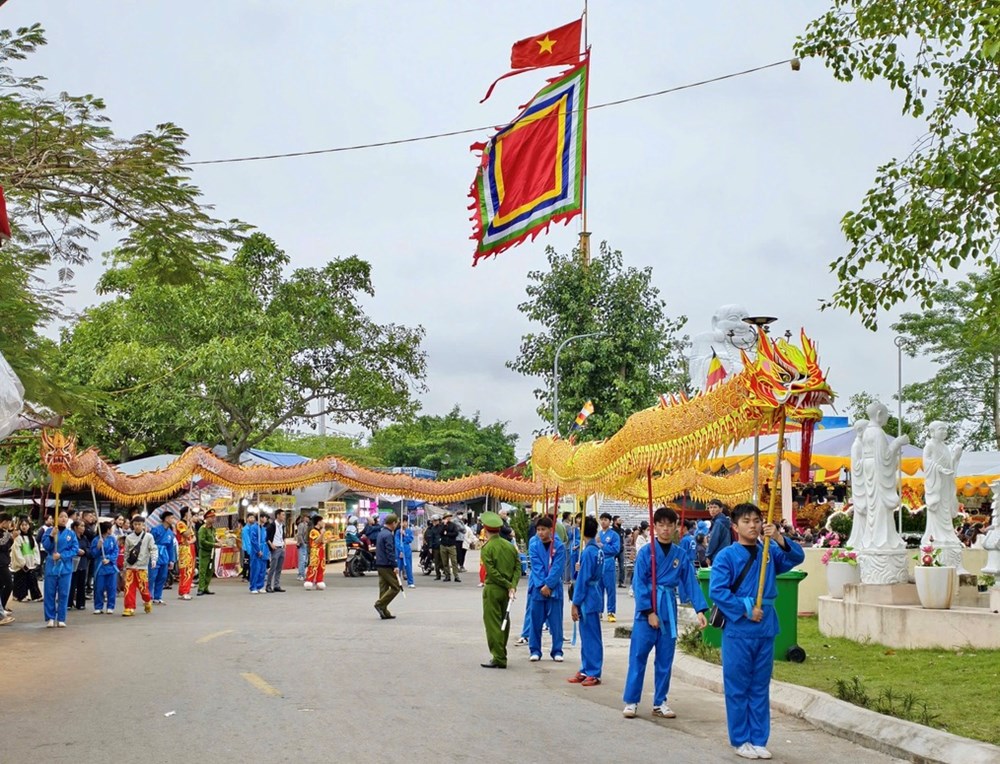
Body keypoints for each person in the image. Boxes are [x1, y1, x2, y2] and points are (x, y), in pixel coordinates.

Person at [710, 502, 805, 760]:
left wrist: (778, 537)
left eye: (756, 520)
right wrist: (745, 607)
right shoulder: (726, 556)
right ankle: (740, 739)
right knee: (738, 685)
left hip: (765, 627)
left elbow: (796, 557)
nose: (752, 526)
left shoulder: (768, 552)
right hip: (740, 628)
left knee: (760, 685)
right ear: (735, 526)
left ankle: (759, 738)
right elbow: (717, 591)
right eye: (746, 521)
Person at [623, 506, 708, 719]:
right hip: (648, 610)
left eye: (670, 525)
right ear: (655, 527)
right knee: (638, 656)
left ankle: (660, 701)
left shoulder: (680, 554)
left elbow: (690, 581)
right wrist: (649, 611)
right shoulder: (646, 552)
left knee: (665, 658)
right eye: (661, 525)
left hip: (668, 608)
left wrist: (699, 609)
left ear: (675, 527)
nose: (665, 529)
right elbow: (640, 583)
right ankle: (632, 700)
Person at [479, 511, 520, 669]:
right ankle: (501, 652)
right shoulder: (509, 546)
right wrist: (512, 585)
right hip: (507, 591)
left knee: (493, 624)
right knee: (504, 621)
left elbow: (492, 572)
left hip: (494, 589)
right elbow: (518, 567)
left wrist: (506, 584)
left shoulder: (487, 548)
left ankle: (499, 657)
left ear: (485, 529)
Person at [568, 516, 604, 687]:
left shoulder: (589, 552)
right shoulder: (596, 550)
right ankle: (586, 668)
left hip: (588, 596)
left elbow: (583, 580)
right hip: (593, 593)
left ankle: (594, 671)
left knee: (591, 635)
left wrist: (575, 602)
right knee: (586, 634)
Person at [527, 516, 565, 662]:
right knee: (535, 621)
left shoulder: (559, 546)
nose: (541, 533)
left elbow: (558, 567)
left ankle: (557, 650)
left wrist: (549, 584)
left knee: (556, 622)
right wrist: (542, 585)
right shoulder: (533, 545)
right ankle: (535, 649)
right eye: (538, 530)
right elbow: (536, 567)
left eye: (543, 529)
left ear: (551, 530)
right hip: (538, 588)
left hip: (554, 588)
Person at [41, 510, 79, 628]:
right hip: (52, 566)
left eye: (65, 517)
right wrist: (52, 536)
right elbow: (46, 546)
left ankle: (61, 618)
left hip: (65, 567)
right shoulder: (48, 531)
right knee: (49, 593)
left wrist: (62, 555)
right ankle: (50, 617)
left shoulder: (71, 534)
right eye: (61, 516)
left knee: (63, 593)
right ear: (56, 518)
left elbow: (75, 548)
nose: (63, 518)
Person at [123, 515, 158, 617]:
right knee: (129, 588)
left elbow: (153, 549)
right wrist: (125, 567)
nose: (137, 526)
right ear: (132, 525)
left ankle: (147, 601)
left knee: (143, 589)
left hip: (142, 567)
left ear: (143, 525)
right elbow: (126, 553)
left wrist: (154, 559)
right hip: (131, 566)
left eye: (139, 524)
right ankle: (129, 607)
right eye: (135, 524)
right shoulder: (129, 538)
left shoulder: (149, 537)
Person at [374, 515, 402, 619]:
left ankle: (384, 612)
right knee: (396, 587)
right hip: (386, 565)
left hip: (379, 564)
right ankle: (380, 604)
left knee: (384, 588)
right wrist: (394, 565)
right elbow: (390, 551)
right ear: (393, 523)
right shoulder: (388, 535)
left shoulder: (381, 533)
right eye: (397, 523)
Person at [89, 521, 119, 614]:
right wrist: (98, 547)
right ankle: (98, 606)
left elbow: (115, 551)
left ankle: (110, 606)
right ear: (107, 529)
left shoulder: (113, 539)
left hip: (110, 566)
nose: (112, 530)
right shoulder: (96, 539)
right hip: (100, 565)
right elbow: (93, 554)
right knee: (99, 587)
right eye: (110, 528)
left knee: (112, 587)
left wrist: (109, 559)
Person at [149, 511, 177, 605]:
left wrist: (171, 560)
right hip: (155, 553)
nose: (173, 519)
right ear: (166, 519)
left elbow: (170, 547)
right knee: (152, 576)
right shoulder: (155, 530)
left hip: (164, 555)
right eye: (171, 517)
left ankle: (158, 597)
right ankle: (149, 596)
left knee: (162, 577)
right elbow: (150, 543)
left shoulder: (170, 532)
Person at [11, 518, 42, 603]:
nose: (24, 527)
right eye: (22, 525)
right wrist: (22, 563)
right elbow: (17, 551)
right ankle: (21, 595)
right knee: (21, 580)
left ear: (29, 526)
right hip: (22, 564)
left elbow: (35, 550)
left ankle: (36, 596)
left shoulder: (32, 537)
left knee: (32, 580)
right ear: (20, 526)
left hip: (31, 562)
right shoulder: (18, 538)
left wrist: (36, 561)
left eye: (26, 525)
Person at [597, 512, 621, 622]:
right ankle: (599, 611)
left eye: (605, 520)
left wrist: (603, 546)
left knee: (610, 588)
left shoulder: (614, 535)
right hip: (599, 562)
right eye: (601, 519)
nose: (603, 521)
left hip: (609, 562)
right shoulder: (598, 534)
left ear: (610, 521)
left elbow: (616, 549)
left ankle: (611, 611)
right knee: (598, 588)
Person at [196, 509, 219, 596]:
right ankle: (201, 588)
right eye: (212, 517)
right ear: (206, 518)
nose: (214, 519)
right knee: (203, 570)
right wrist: (214, 544)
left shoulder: (213, 529)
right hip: (204, 552)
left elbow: (214, 538)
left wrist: (218, 541)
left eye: (214, 517)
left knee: (210, 570)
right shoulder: (203, 529)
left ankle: (206, 587)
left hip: (212, 552)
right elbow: (202, 541)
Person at [304, 515, 328, 590]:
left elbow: (323, 541)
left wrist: (329, 539)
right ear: (318, 522)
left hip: (321, 551)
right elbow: (317, 541)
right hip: (315, 551)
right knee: (313, 566)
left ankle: (319, 581)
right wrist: (322, 533)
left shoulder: (320, 530)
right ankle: (309, 580)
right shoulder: (313, 531)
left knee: (321, 567)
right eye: (321, 521)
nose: (323, 523)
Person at [265, 509, 287, 593]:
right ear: (277, 515)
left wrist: (284, 542)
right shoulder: (271, 526)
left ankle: (276, 585)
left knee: (279, 568)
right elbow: (267, 537)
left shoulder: (282, 525)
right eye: (282, 515)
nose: (284, 516)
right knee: (273, 568)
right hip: (275, 548)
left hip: (281, 547)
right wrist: (271, 544)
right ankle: (268, 585)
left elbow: (283, 535)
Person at [706, 499, 732, 565]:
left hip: (717, 555)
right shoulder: (725, 521)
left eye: (715, 507)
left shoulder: (718, 522)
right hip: (726, 554)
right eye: (710, 507)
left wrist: (708, 555)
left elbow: (714, 540)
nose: (712, 510)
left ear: (721, 509)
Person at [175, 521, 196, 600]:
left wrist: (190, 542)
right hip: (184, 548)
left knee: (190, 570)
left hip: (190, 547)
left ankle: (186, 590)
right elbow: (186, 534)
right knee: (185, 570)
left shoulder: (187, 525)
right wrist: (190, 526)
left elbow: (194, 537)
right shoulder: (180, 524)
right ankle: (184, 591)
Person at [439, 510, 461, 582]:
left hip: (451, 545)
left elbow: (455, 533)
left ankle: (456, 576)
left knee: (454, 561)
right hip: (443, 545)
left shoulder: (453, 525)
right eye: (446, 517)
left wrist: (447, 533)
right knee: (445, 562)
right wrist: (444, 526)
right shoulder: (441, 525)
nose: (448, 518)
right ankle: (447, 575)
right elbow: (440, 533)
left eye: (449, 517)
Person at [0, 513, 13, 622]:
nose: (10, 524)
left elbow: (8, 546)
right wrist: (10, 536)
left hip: (4, 562)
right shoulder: (3, 533)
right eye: (9, 522)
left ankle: (1, 609)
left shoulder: (5, 533)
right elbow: (2, 546)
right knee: (9, 584)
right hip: (1, 563)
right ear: (4, 522)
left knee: (1, 586)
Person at [395, 516, 415, 588]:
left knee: (408, 567)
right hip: (399, 551)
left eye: (405, 522)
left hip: (407, 550)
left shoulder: (409, 531)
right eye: (402, 522)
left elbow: (410, 539)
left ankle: (410, 582)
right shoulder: (397, 531)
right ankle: (397, 582)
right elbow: (396, 541)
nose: (403, 523)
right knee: (398, 567)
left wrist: (404, 534)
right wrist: (400, 550)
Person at [426, 514, 443, 580]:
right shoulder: (432, 529)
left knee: (443, 561)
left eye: (436, 520)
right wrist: (430, 547)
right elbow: (431, 539)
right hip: (435, 547)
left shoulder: (442, 527)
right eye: (434, 521)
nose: (435, 522)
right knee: (436, 562)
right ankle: (438, 575)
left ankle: (447, 574)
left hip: (442, 546)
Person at [613, 515, 627, 588]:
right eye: (619, 520)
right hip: (614, 550)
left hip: (621, 550)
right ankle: (612, 581)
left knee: (622, 567)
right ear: (615, 521)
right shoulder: (612, 531)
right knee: (612, 566)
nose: (621, 521)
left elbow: (623, 539)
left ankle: (621, 582)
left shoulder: (622, 530)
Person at [295, 514, 310, 581]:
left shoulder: (307, 525)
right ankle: (300, 574)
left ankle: (303, 574)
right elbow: (299, 535)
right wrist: (303, 543)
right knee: (302, 560)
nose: (308, 519)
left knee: (305, 561)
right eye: (307, 517)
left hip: (306, 544)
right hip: (302, 544)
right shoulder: (301, 525)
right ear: (304, 518)